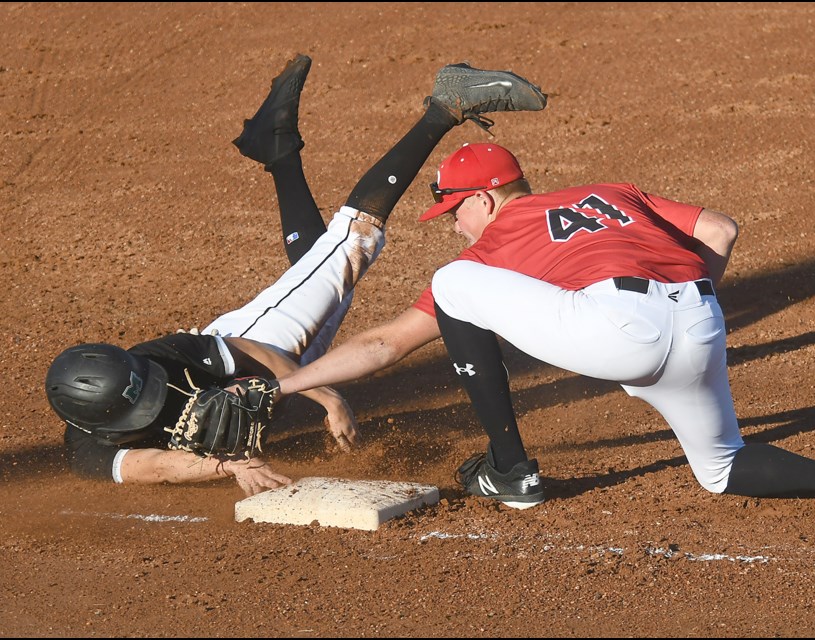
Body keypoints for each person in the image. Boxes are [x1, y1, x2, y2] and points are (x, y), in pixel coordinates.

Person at [276, 141, 815, 515]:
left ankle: (511, 472)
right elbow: (720, 231)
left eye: (453, 212)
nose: (454, 227)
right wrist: (681, 316)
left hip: (621, 328)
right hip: (698, 319)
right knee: (723, 468)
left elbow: (385, 343)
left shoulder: (490, 245)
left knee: (452, 284)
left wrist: (281, 388)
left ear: (481, 200)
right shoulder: (611, 193)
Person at [44, 56, 548, 496]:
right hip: (275, 375)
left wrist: (326, 394)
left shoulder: (163, 356)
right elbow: (153, 467)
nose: (159, 392)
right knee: (321, 267)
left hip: (260, 338)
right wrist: (226, 466)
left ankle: (445, 106)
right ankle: (278, 149)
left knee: (353, 244)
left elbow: (257, 352)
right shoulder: (87, 452)